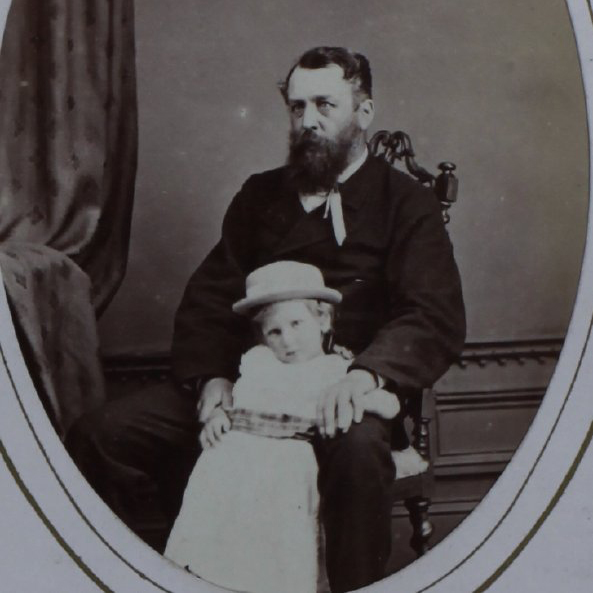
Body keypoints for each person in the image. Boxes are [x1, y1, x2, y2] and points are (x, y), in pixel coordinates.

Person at [66, 46, 465, 593]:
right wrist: (211, 380)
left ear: (364, 112)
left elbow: (431, 311)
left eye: (325, 105)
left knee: (355, 453)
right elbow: (210, 296)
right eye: (298, 108)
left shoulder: (406, 203)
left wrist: (365, 375)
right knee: (101, 434)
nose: (309, 121)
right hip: (253, 386)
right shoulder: (260, 195)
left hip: (342, 392)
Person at [164, 260, 399, 593]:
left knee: (281, 539)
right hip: (235, 462)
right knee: (225, 534)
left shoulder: (335, 370)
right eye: (275, 331)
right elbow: (239, 405)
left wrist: (366, 400)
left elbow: (389, 404)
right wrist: (219, 418)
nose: (287, 340)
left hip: (288, 463)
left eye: (296, 324)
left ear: (322, 320)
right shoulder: (258, 364)